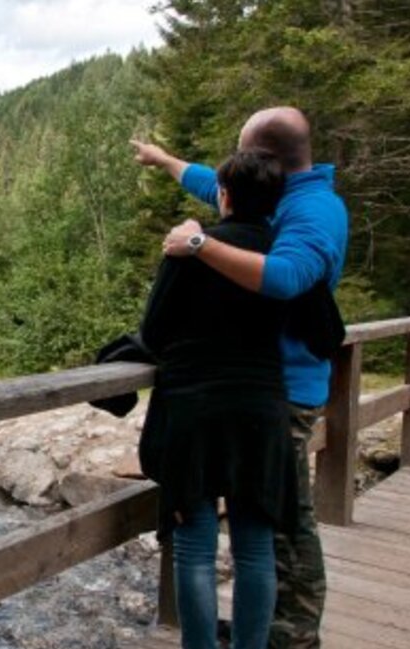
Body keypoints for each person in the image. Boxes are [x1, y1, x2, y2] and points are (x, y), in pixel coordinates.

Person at [132, 106, 347, 649]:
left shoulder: (312, 213)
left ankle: (294, 637)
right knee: (258, 541)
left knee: (272, 536)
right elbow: (216, 181)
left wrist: (198, 244)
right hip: (265, 403)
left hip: (256, 398)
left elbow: (288, 278)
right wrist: (164, 161)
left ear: (264, 164)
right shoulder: (276, 203)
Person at [137, 149, 297, 649]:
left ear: (223, 196)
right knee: (254, 550)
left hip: (193, 412)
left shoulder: (190, 249)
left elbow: (154, 330)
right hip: (261, 410)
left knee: (195, 551)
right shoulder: (283, 255)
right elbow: (323, 330)